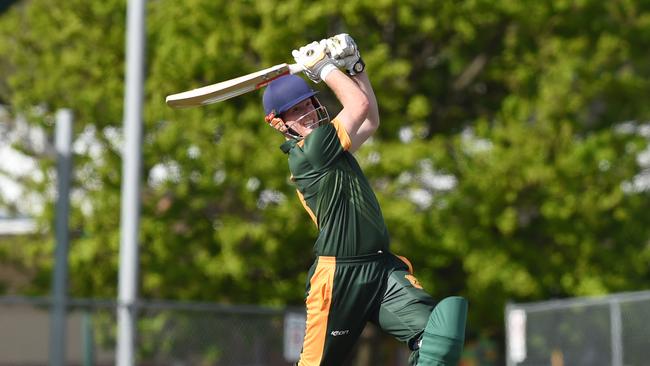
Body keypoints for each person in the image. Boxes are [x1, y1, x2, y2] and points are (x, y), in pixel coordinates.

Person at [262, 34, 468, 366]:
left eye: (307, 104)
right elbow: (356, 106)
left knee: (438, 340)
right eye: (295, 111)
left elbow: (369, 119)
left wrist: (355, 66)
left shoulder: (330, 146)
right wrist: (325, 67)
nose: (308, 114)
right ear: (279, 123)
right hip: (339, 276)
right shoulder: (310, 153)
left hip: (379, 268)